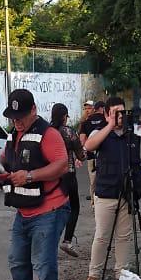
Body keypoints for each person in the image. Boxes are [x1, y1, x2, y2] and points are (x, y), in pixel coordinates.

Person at [0, 88, 72, 280]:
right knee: (17, 260)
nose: (16, 121)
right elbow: (6, 158)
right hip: (25, 210)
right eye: (12, 117)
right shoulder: (14, 134)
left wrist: (30, 176)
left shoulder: (48, 134)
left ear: (34, 110)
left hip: (50, 209)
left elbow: (62, 165)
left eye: (21, 116)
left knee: (44, 263)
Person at [81, 96, 141, 280]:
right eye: (115, 112)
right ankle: (94, 273)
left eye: (122, 112)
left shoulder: (132, 137)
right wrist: (109, 125)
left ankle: (122, 274)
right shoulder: (101, 134)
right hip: (106, 192)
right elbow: (88, 147)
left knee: (124, 236)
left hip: (127, 193)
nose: (120, 116)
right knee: (102, 235)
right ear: (107, 113)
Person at [51, 102, 84, 258]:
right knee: (74, 207)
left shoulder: (48, 131)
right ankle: (67, 240)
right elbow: (81, 154)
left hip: (50, 176)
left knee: (53, 208)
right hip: (68, 174)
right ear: (64, 116)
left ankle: (49, 240)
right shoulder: (69, 132)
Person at [79, 98, 107, 200]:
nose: (87, 110)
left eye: (89, 108)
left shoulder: (85, 123)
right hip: (103, 155)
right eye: (85, 108)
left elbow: (82, 140)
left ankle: (95, 204)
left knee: (93, 181)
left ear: (94, 108)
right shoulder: (106, 120)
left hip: (93, 156)